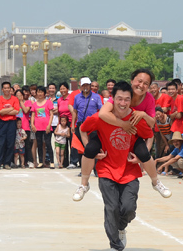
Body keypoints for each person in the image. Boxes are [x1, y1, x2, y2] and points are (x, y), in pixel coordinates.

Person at [79, 81, 153, 251]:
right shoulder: (101, 117)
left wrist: (142, 155)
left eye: (127, 99)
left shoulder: (135, 117)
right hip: (107, 170)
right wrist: (91, 150)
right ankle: (115, 245)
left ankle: (121, 227)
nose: (123, 103)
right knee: (111, 207)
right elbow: (82, 129)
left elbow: (149, 134)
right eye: (119, 99)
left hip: (129, 171)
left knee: (128, 208)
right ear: (112, 100)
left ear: (131, 101)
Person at [73, 70, 171, 201]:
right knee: (90, 149)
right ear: (132, 81)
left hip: (134, 132)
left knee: (144, 153)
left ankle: (156, 182)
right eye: (139, 81)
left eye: (146, 83)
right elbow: (102, 114)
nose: (141, 85)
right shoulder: (122, 92)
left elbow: (151, 126)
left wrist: (142, 114)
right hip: (111, 129)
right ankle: (84, 184)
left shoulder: (147, 99)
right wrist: (123, 124)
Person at [0, 82, 18, 170]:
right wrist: (11, 108)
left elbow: (16, 111)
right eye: (5, 88)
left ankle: (7, 163)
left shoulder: (15, 99)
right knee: (0, 143)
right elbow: (0, 111)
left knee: (10, 143)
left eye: (8, 88)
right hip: (2, 123)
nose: (7, 89)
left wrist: (5, 110)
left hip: (12, 123)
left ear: (10, 89)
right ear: (2, 89)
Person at [31, 86, 54, 168]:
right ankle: (41, 161)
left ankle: (52, 161)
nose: (40, 94)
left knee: (48, 144)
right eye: (38, 92)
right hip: (37, 127)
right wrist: (32, 125)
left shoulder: (48, 102)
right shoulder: (34, 104)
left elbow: (51, 114)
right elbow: (33, 115)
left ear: (44, 94)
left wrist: (49, 125)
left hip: (46, 126)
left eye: (41, 92)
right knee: (39, 144)